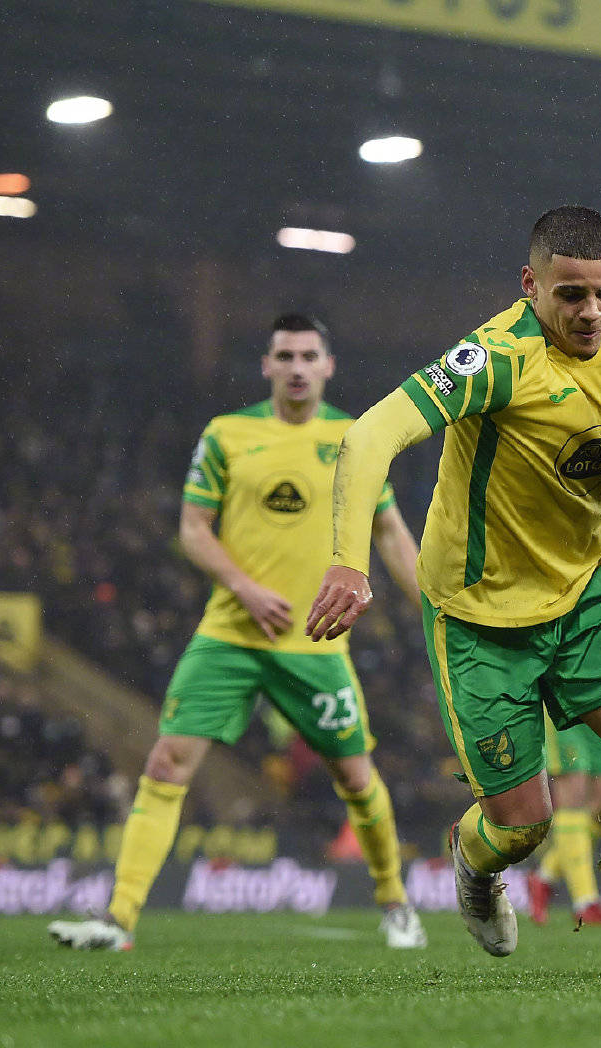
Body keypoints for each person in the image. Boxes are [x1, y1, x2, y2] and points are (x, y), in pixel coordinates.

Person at [306, 206, 601, 978]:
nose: (591, 311)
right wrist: (347, 561)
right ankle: (473, 864)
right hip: (478, 617)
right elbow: (368, 436)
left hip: (581, 598)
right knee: (523, 826)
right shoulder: (494, 357)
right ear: (531, 285)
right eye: (570, 294)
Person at [49, 313, 427, 951]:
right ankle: (118, 922)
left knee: (357, 779)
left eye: (310, 355)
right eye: (286, 355)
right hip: (229, 634)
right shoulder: (227, 433)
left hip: (314, 641)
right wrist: (245, 587)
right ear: (267, 365)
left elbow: (389, 531)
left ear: (328, 367)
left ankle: (395, 903)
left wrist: (431, 608)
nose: (298, 367)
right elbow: (193, 528)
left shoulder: (353, 438)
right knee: (167, 763)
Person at [527, 533, 601, 928]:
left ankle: (544, 877)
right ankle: (585, 900)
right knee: (572, 793)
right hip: (562, 685)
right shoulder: (548, 547)